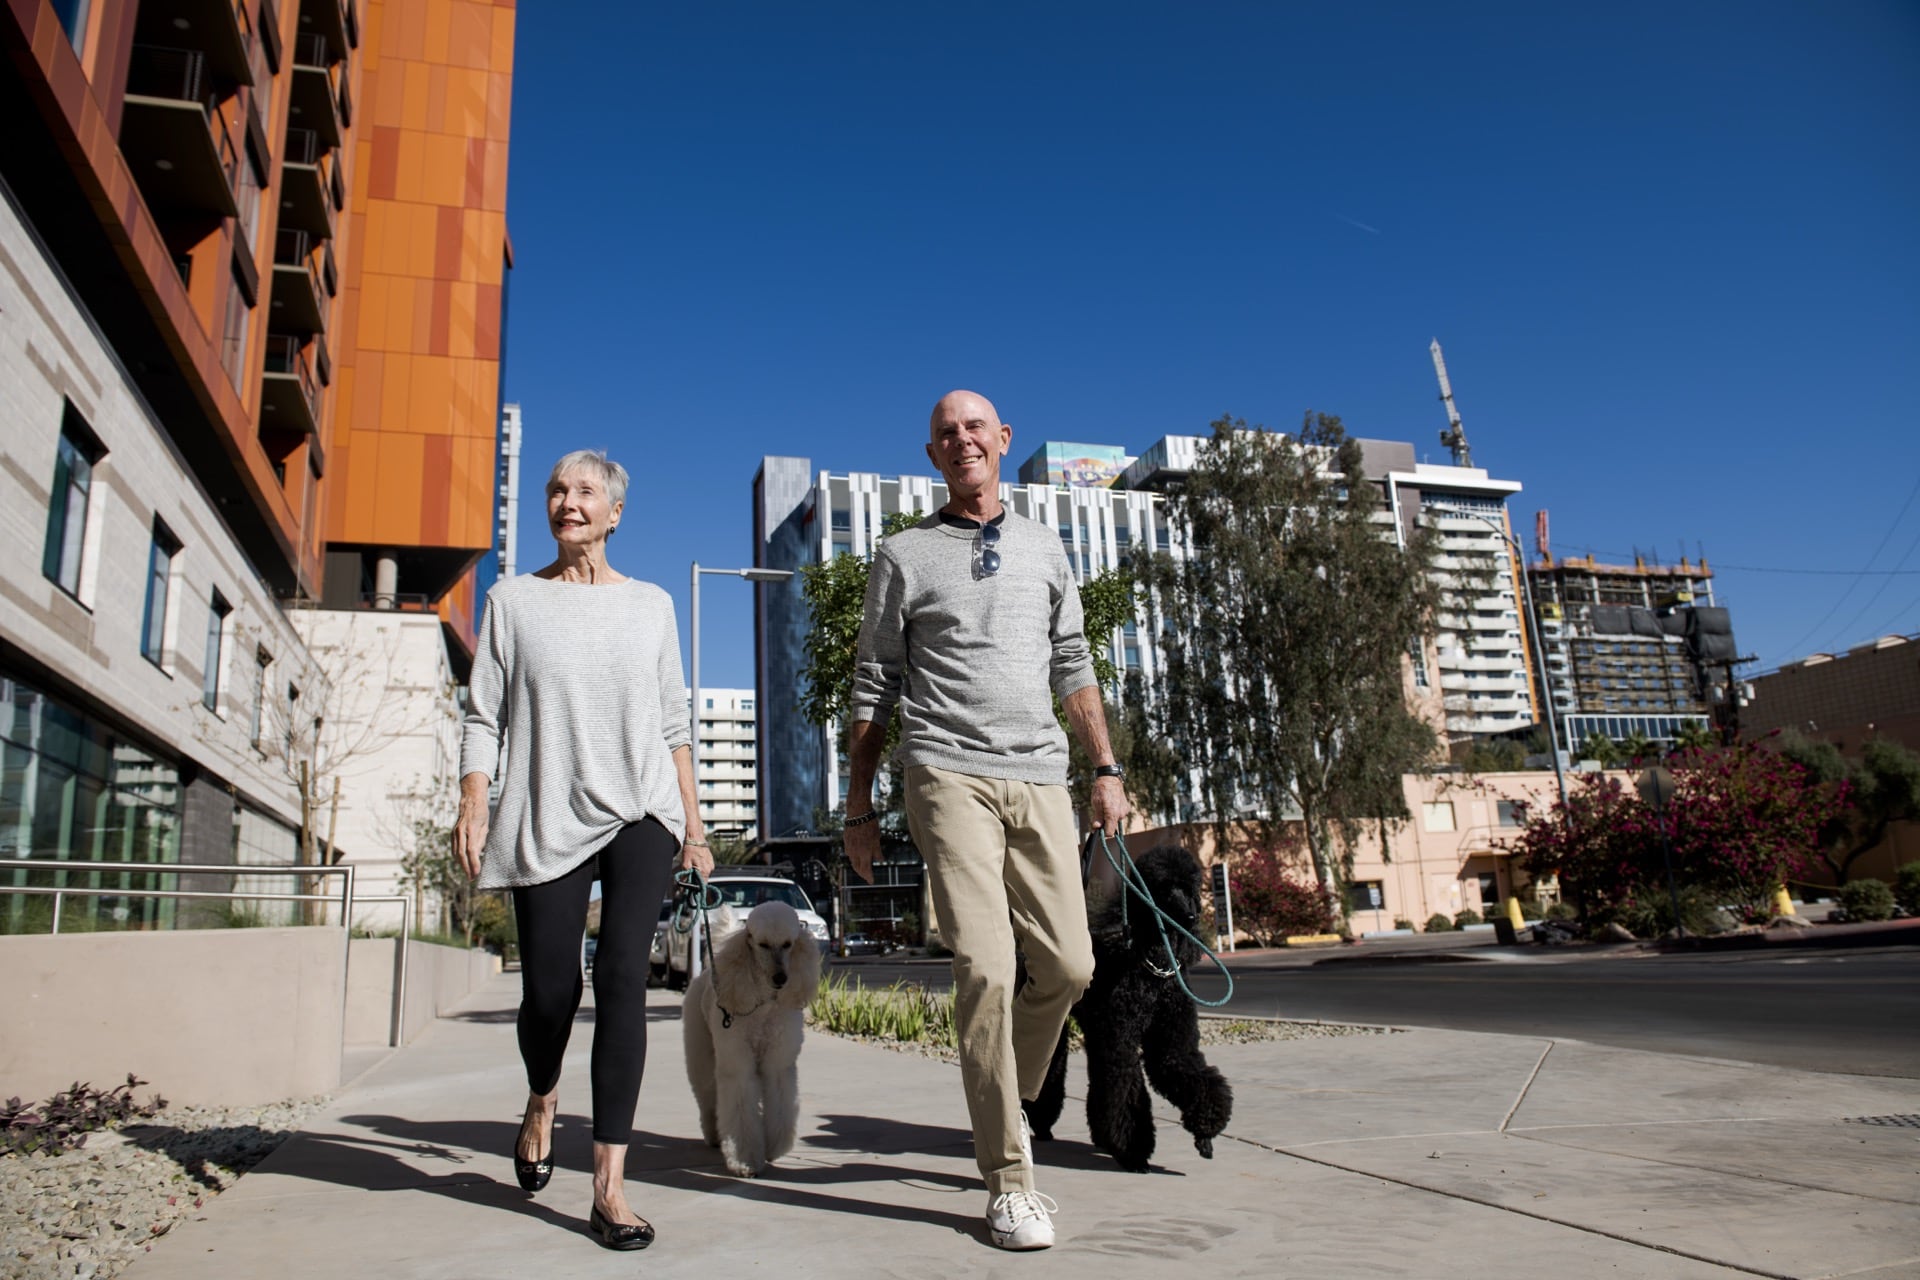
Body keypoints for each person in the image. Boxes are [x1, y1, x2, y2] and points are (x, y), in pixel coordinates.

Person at [844, 389, 1131, 1250]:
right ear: (931, 456)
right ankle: (1009, 1181)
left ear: (1003, 441)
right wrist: (858, 808)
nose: (961, 440)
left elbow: (1073, 661)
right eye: (945, 433)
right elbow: (873, 683)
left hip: (1040, 772)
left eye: (975, 427)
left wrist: (1106, 768)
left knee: (1071, 967)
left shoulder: (1046, 547)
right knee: (988, 966)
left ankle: (1009, 1083)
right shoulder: (903, 554)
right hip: (944, 771)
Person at [452, 449, 713, 1252]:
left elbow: (675, 722)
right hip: (545, 809)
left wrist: (695, 828)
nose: (569, 502)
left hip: (641, 811)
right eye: (558, 491)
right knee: (551, 994)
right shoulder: (513, 601)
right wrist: (472, 799)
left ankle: (608, 1187)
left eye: (585, 491)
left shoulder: (652, 606)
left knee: (624, 979)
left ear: (615, 513)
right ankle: (541, 1095)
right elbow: (481, 713)